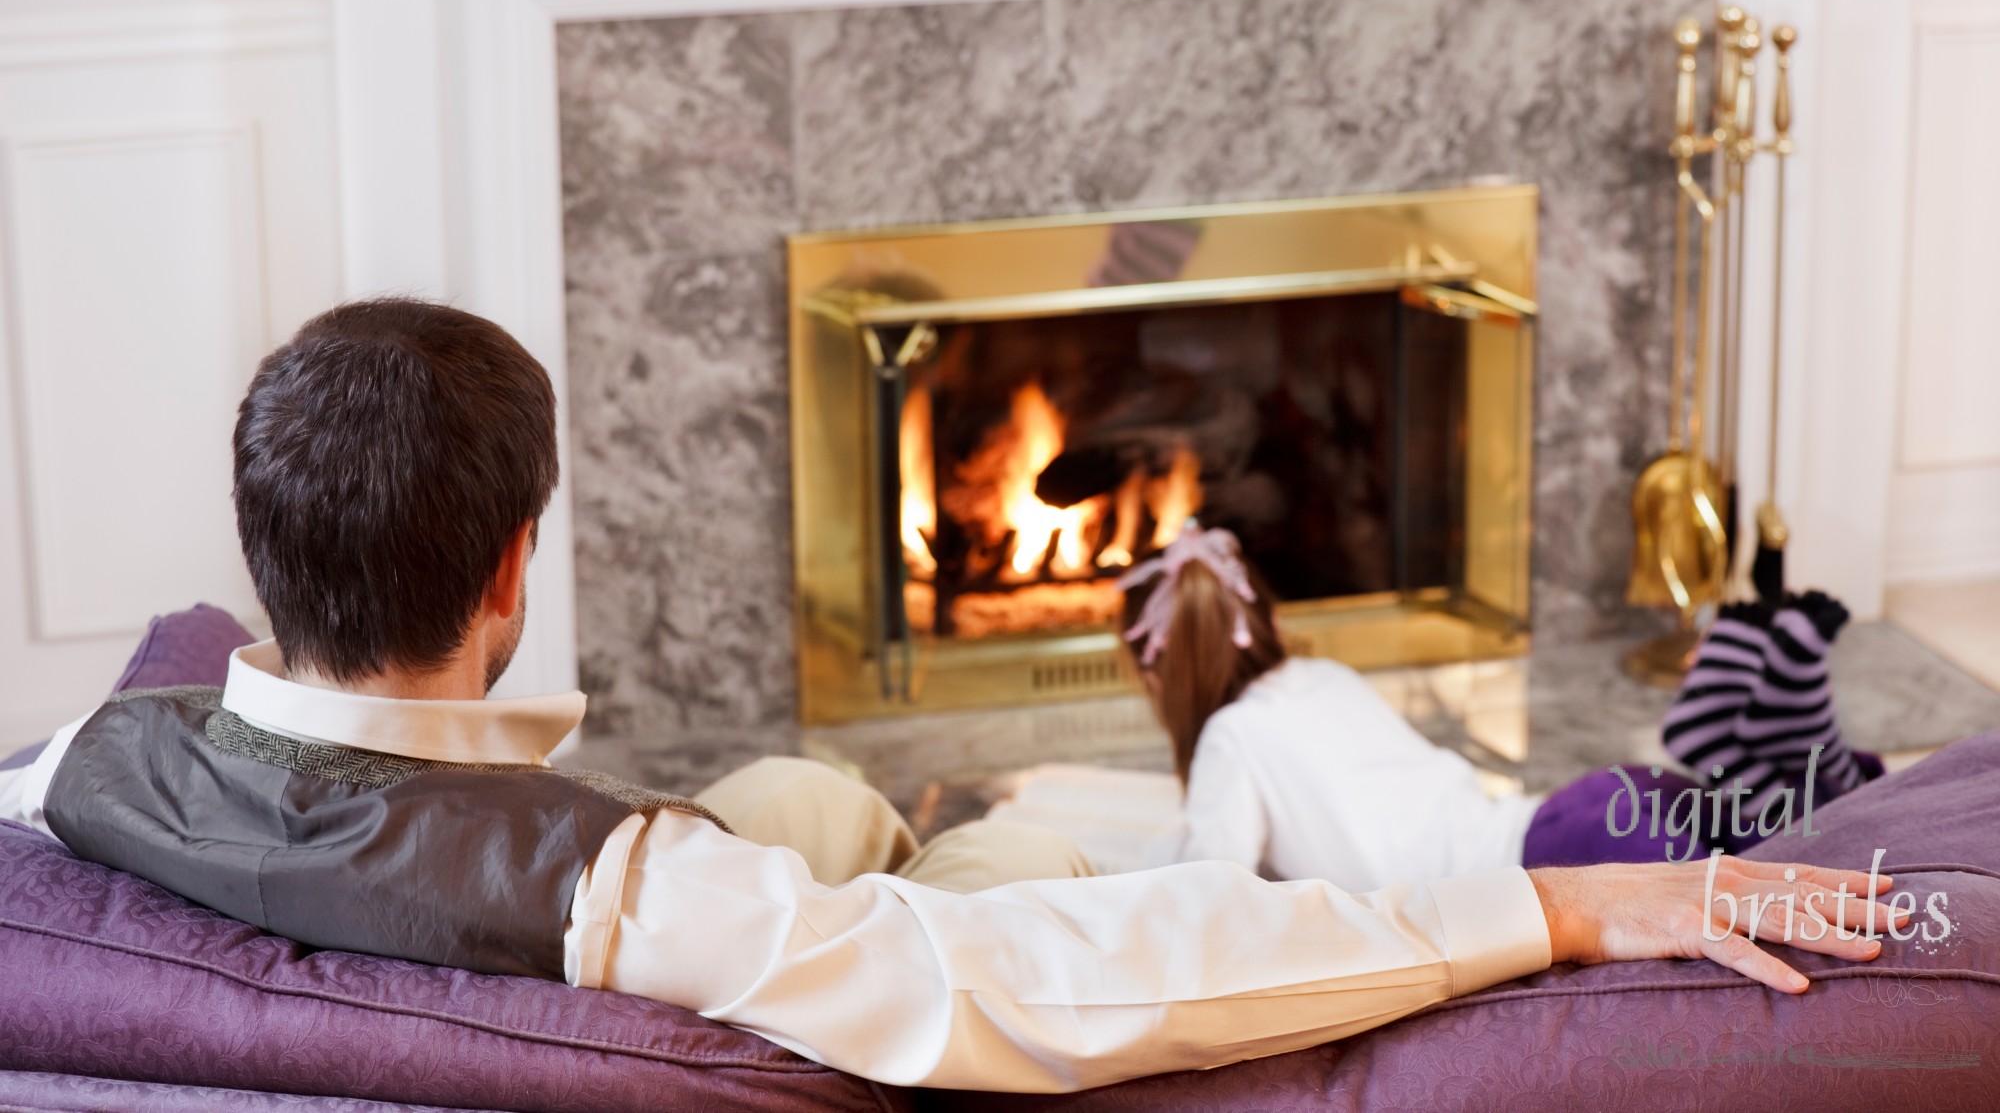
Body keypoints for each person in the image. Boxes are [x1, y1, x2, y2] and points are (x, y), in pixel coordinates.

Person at [0, 299, 1901, 1095]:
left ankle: (924, 807)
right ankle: (1011, 808)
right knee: (1019, 851)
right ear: (511, 567)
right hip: (790, 903)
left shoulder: (79, 763)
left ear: (266, 552)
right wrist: (1547, 906)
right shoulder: (636, 891)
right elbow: (1060, 981)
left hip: (745, 839)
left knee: (812, 792)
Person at [1117, 521, 1881, 892]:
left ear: (1162, 678)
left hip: (1556, 864)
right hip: (1585, 807)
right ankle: (1786, 734)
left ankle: (1783, 748)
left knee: (1783, 878)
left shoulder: (1229, 738)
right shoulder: (1323, 677)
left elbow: (1205, 888)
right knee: (1795, 831)